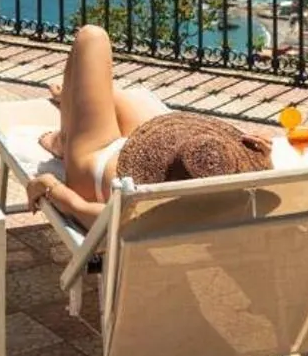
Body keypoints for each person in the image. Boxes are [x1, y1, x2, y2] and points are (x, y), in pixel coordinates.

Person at [25, 24, 275, 226]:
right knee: (106, 91)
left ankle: (65, 137)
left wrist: (49, 186)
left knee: (92, 37)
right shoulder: (231, 205)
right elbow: (268, 193)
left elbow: (83, 210)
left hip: (96, 158)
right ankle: (70, 100)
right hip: (157, 158)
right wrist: (264, 158)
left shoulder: (144, 212)